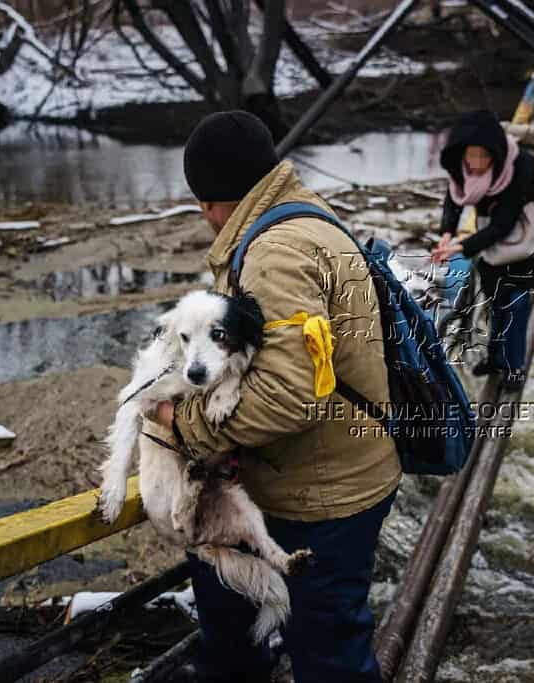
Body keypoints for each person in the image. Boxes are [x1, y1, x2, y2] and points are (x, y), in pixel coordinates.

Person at [150, 110, 402, 682]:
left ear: (213, 202)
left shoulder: (273, 253)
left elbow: (291, 396)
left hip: (321, 497)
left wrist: (182, 426)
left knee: (330, 659)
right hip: (339, 471)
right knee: (279, 633)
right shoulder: (306, 215)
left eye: (203, 205)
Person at [431, 110, 534, 390]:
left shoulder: (520, 167)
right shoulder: (460, 169)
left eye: (485, 156)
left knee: (517, 305)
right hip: (492, 242)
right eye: (472, 156)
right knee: (496, 303)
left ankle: (514, 369)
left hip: (526, 236)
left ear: (496, 154)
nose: (478, 164)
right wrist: (447, 234)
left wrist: (460, 247)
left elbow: (504, 224)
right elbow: (453, 202)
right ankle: (496, 358)